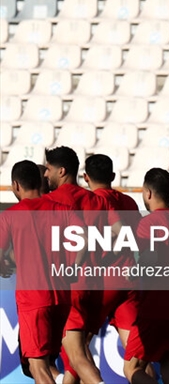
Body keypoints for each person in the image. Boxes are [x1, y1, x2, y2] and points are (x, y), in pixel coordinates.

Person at [0, 161, 72, 384]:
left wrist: (3, 266)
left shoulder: (11, 215)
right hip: (62, 297)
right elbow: (86, 242)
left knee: (37, 366)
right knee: (54, 363)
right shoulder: (60, 209)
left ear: (15, 185)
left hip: (34, 300)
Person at [123, 168, 169, 384]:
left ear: (148, 193)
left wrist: (134, 272)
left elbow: (151, 257)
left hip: (157, 306)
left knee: (132, 368)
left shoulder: (147, 224)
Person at [44, 146, 108, 384]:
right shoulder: (96, 200)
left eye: (48, 169)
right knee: (77, 358)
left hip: (70, 284)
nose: (45, 175)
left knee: (76, 356)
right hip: (95, 283)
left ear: (61, 171)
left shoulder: (51, 201)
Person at [84, 153, 142, 351]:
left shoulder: (92, 201)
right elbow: (140, 237)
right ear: (113, 176)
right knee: (135, 352)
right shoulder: (129, 202)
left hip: (104, 280)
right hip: (129, 280)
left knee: (78, 348)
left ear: (85, 177)